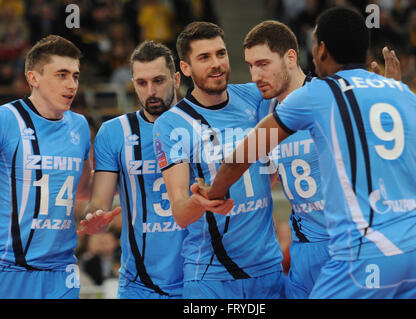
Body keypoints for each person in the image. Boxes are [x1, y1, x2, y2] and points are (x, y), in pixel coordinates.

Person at [197, 7, 416, 299]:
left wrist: (214, 192)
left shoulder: (317, 93)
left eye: (314, 45)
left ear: (322, 49)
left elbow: (243, 156)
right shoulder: (400, 92)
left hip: (364, 250)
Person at [242, 20, 402, 299]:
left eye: (263, 64)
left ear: (291, 58)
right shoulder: (263, 108)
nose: (255, 74)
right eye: (250, 65)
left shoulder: (335, 95)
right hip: (304, 250)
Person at [152, 21, 284, 299]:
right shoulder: (171, 124)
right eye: (204, 57)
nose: (216, 64)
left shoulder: (254, 96)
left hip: (269, 268)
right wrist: (199, 202)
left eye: (220, 54)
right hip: (211, 276)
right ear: (185, 68)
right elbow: (179, 212)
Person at [77, 41, 189, 299]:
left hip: (197, 278)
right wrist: (95, 218)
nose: (151, 91)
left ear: (176, 78)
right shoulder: (114, 133)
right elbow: (99, 203)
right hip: (138, 284)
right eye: (141, 83)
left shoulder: (200, 126)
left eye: (159, 81)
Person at [0, 35, 92, 299]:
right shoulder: (7, 119)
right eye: (61, 75)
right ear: (33, 78)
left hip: (61, 270)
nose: (71, 84)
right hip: (10, 269)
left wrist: (96, 210)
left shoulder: (80, 126)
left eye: (75, 76)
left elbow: (82, 191)